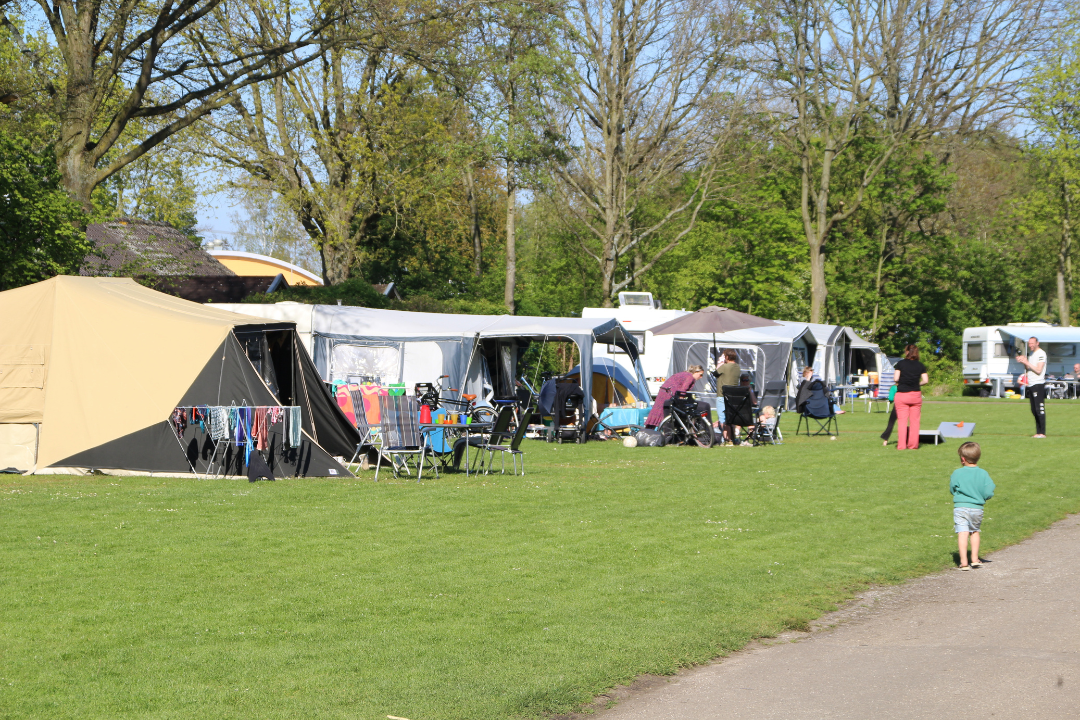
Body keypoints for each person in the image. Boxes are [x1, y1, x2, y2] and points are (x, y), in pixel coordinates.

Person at [950, 441, 995, 570]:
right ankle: (974, 559)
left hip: (960, 507)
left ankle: (963, 562)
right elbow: (989, 489)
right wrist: (985, 497)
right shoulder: (983, 473)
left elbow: (953, 488)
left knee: (962, 533)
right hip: (977, 507)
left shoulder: (957, 473)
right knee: (974, 531)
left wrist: (956, 494)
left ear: (962, 459)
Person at [893, 344, 928, 450]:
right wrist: (918, 384)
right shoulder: (920, 365)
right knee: (915, 421)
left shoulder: (900, 364)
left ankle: (901, 445)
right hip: (916, 395)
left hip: (902, 394)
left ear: (907, 352)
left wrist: (902, 382)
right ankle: (913, 445)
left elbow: (895, 378)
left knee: (902, 421)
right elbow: (926, 380)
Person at [1017, 336, 1047, 438]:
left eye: (1032, 343)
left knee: (1039, 409)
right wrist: (1023, 361)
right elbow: (1028, 368)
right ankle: (1038, 432)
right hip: (1031, 384)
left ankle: (1042, 432)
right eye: (1029, 343)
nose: (1030, 345)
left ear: (1037, 343)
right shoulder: (1032, 354)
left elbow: (1038, 370)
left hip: (1038, 384)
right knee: (1034, 409)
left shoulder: (1041, 354)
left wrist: (1027, 362)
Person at [712, 349, 741, 437]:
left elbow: (715, 373)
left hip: (722, 395)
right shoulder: (737, 367)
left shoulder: (724, 367)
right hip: (733, 396)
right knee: (731, 418)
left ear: (727, 357)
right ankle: (732, 437)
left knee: (723, 418)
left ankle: (726, 438)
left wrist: (720, 362)